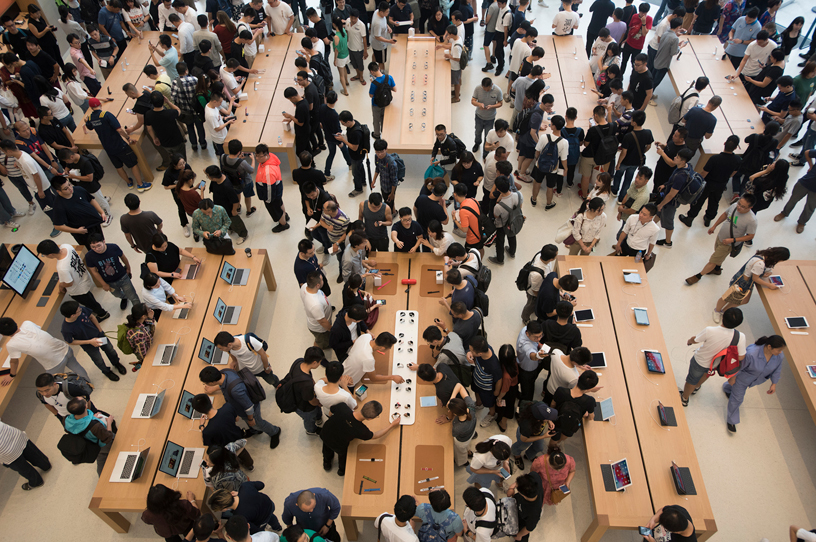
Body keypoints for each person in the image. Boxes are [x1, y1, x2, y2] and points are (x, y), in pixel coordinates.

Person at [679, 307, 746, 408]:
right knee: (706, 375)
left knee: (691, 380)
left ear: (723, 316)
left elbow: (696, 339)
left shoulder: (710, 330)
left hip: (700, 361)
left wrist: (690, 341)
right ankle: (697, 388)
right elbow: (741, 357)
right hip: (715, 364)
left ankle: (684, 398)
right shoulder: (740, 337)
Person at [200, 366, 282, 449]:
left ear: (212, 382)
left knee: (258, 423)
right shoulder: (224, 372)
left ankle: (274, 431)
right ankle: (255, 430)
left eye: (206, 383)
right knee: (252, 424)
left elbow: (249, 407)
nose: (206, 385)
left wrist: (250, 419)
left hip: (250, 408)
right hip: (240, 406)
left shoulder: (235, 390)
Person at [685, 195, 757, 284]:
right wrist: (714, 226)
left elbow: (750, 236)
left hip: (728, 244)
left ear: (750, 207)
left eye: (743, 207)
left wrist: (732, 240)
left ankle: (698, 276)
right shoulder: (734, 206)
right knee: (717, 254)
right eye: (739, 203)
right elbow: (725, 214)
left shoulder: (752, 220)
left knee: (713, 261)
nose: (739, 207)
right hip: (720, 237)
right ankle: (717, 269)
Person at [83, 98, 148, 191]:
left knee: (118, 166)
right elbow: (119, 129)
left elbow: (89, 127)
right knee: (132, 163)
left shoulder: (90, 118)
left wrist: (86, 121)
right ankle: (140, 184)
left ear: (91, 107)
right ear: (100, 104)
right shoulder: (106, 115)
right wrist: (128, 138)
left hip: (107, 147)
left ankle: (129, 183)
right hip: (119, 145)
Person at [37, 240, 110, 322]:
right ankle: (95, 309)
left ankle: (102, 314)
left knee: (90, 302)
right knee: (90, 298)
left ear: (50, 255)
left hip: (78, 290)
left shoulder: (62, 267)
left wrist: (61, 285)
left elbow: (69, 282)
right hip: (83, 277)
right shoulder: (66, 246)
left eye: (45, 255)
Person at [723, 335, 785, 432]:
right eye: (779, 350)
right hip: (742, 379)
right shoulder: (751, 353)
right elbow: (739, 366)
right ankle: (731, 420)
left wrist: (774, 383)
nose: (780, 352)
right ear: (769, 347)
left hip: (756, 379)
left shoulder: (779, 356)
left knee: (734, 390)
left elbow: (777, 369)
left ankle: (727, 388)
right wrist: (733, 378)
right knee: (737, 399)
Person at [320, 400, 399, 475]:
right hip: (339, 445)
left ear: (364, 406)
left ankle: (326, 463)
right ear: (370, 419)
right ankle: (341, 470)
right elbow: (375, 435)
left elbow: (331, 411)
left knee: (326, 448)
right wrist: (391, 425)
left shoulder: (342, 407)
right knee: (342, 456)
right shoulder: (362, 431)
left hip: (325, 433)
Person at [680, 135, 741, 227]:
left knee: (699, 201)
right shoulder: (737, 160)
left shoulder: (715, 158)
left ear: (724, 143)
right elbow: (734, 172)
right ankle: (708, 219)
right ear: (736, 147)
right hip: (721, 184)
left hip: (708, 183)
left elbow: (704, 173)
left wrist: (696, 182)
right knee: (714, 202)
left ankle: (689, 219)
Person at [60, 300, 125, 381]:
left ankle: (116, 363)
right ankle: (107, 372)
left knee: (110, 350)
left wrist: (100, 330)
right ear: (73, 315)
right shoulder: (66, 329)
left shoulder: (80, 310)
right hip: (89, 345)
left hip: (99, 335)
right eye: (78, 310)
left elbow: (92, 316)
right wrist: (90, 342)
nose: (81, 309)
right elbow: (70, 341)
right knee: (98, 360)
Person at [716, 246, 789, 318]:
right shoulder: (760, 264)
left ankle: (724, 311)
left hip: (744, 280)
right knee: (727, 297)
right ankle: (717, 311)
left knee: (744, 300)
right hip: (742, 282)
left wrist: (763, 273)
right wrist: (769, 285)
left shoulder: (763, 254)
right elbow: (756, 279)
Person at [49, 175, 107, 248]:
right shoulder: (58, 206)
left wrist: (101, 212)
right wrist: (77, 231)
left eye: (69, 184)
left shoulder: (78, 189)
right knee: (93, 248)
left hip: (95, 224)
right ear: (58, 191)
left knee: (101, 242)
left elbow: (91, 199)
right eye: (66, 188)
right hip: (83, 232)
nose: (70, 188)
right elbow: (58, 226)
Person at [653, 148, 694, 247]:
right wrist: (666, 185)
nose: (674, 158)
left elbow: (671, 194)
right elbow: (673, 182)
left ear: (683, 161)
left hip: (670, 203)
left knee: (668, 221)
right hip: (668, 200)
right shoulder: (687, 167)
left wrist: (661, 204)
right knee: (659, 213)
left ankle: (668, 242)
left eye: (677, 157)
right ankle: (650, 225)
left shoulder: (681, 176)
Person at [64, 397, 114, 475]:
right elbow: (107, 437)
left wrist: (93, 418)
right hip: (101, 445)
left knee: (100, 459)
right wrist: (109, 422)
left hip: (88, 444)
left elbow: (81, 424)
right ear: (85, 406)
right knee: (104, 460)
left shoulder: (66, 420)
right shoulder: (95, 426)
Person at [209, 482, 282, 534]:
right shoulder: (245, 487)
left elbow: (255, 530)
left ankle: (274, 528)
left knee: (266, 522)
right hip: (269, 504)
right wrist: (239, 493)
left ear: (224, 508)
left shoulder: (239, 517)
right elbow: (261, 485)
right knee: (271, 516)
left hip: (262, 519)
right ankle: (278, 527)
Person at [0, 418, 51, 491]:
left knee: (23, 468)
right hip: (15, 435)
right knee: (33, 453)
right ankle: (45, 465)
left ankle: (36, 481)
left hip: (7, 452)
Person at [214, 331, 279, 387]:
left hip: (261, 368)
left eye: (221, 348)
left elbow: (263, 354)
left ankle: (278, 385)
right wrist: (234, 361)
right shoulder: (230, 348)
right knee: (253, 384)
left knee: (271, 381)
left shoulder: (250, 341)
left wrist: (267, 368)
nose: (221, 350)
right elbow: (232, 353)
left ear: (229, 345)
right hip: (248, 371)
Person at [774, 150, 816, 233]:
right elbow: (807, 152)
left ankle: (802, 222)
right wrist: (811, 166)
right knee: (793, 199)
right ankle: (784, 213)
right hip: (805, 182)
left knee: (810, 207)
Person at [301, 271, 333, 351]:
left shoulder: (305, 286)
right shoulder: (315, 304)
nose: (323, 281)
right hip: (320, 329)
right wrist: (331, 329)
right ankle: (317, 355)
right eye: (322, 280)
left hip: (319, 319)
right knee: (320, 342)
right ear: (317, 285)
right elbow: (322, 321)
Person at [472, 77, 503, 153]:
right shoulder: (478, 88)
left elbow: (500, 103)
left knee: (488, 136)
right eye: (484, 89)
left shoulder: (498, 90)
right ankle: (477, 143)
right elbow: (473, 101)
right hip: (479, 116)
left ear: (491, 85)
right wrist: (479, 104)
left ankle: (485, 151)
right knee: (477, 132)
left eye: (487, 89)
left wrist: (492, 106)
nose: (486, 91)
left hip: (490, 118)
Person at [621, 4, 653, 75]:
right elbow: (630, 28)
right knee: (624, 61)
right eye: (641, 12)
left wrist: (643, 23)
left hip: (638, 46)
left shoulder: (649, 19)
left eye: (645, 13)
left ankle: (633, 78)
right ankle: (620, 76)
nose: (643, 14)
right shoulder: (634, 16)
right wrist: (627, 38)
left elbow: (644, 33)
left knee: (634, 64)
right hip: (629, 43)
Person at [370, 2, 396, 72]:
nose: (388, 13)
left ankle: (373, 69)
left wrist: (387, 27)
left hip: (374, 43)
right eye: (387, 12)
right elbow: (377, 36)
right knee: (381, 61)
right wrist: (389, 41)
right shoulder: (378, 23)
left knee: (375, 54)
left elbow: (383, 21)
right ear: (381, 12)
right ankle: (381, 73)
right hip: (380, 45)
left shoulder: (376, 12)